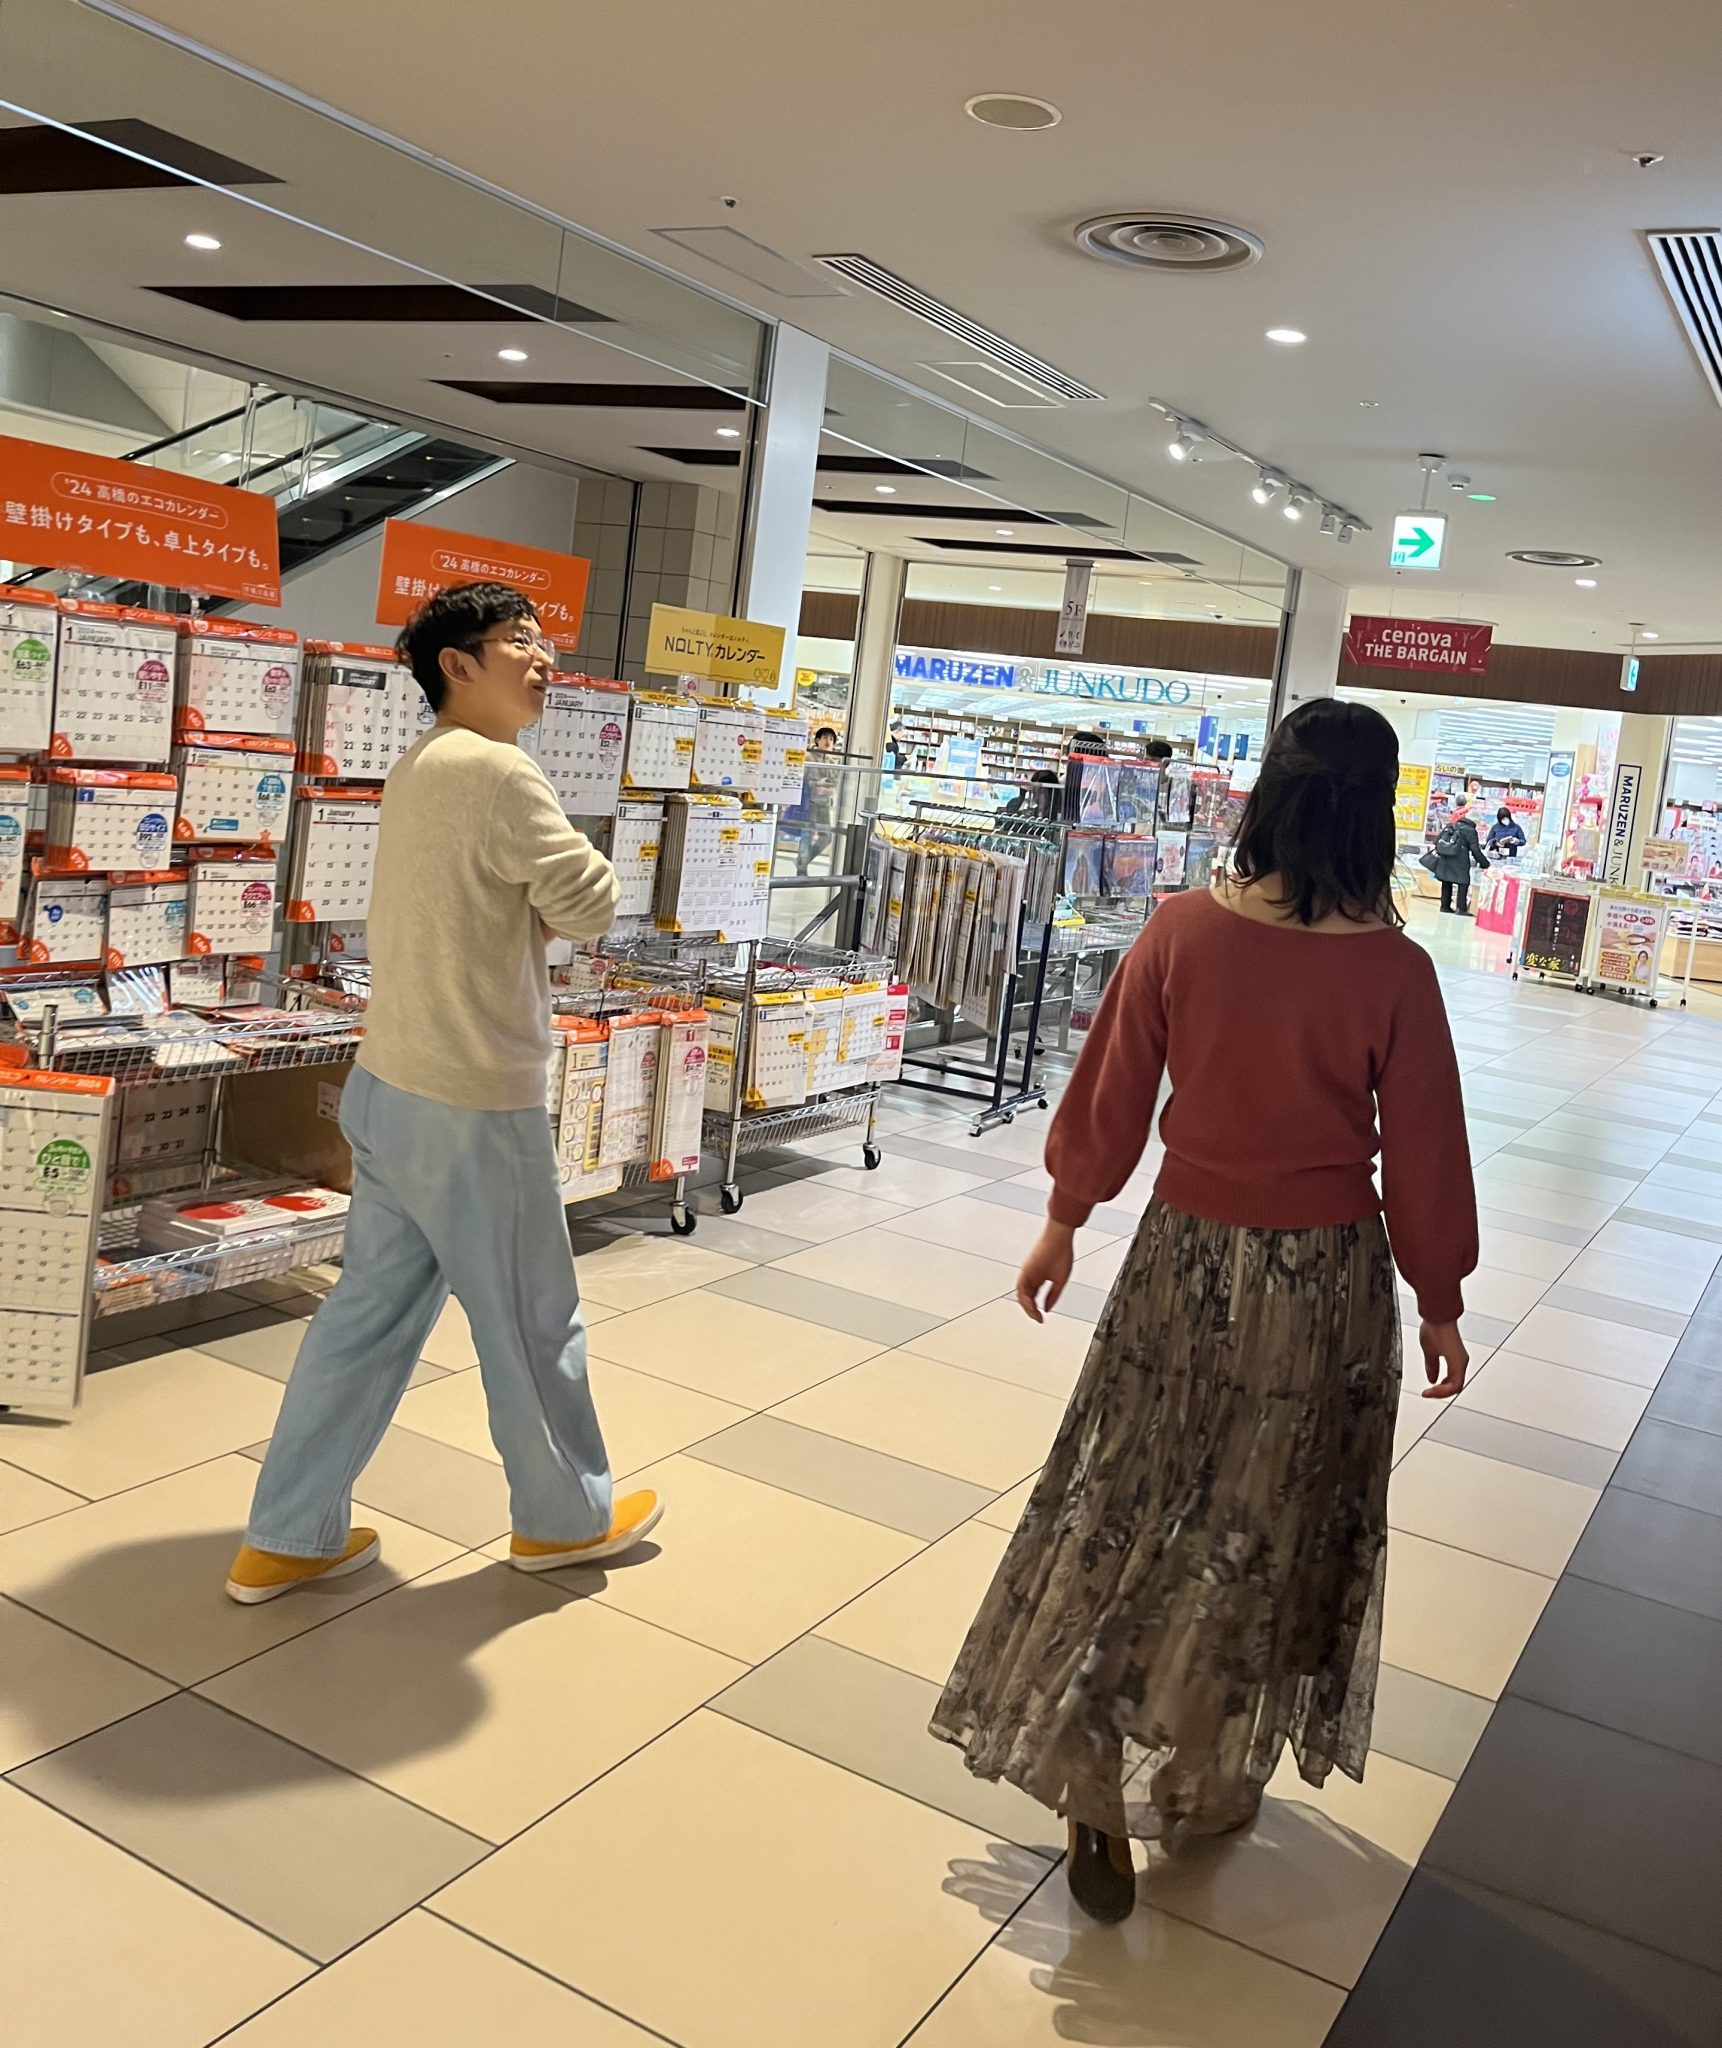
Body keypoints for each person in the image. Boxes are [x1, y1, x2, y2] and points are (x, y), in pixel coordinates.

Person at [930, 698, 1474, 1923]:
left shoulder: (1181, 928)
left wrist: (1065, 1215)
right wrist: (1439, 1297)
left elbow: (1112, 1090)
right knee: (1266, 1518)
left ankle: (1089, 1726)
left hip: (1182, 1261)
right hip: (1321, 1285)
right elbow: (1426, 1153)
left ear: (1268, 795)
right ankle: (1201, 1762)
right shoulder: (1396, 972)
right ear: (1375, 816)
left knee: (1132, 1493)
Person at [226, 583, 661, 1604]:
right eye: (519, 641)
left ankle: (287, 1532)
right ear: (456, 666)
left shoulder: (421, 763)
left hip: (393, 1083)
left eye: (543, 639)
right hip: (472, 1099)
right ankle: (562, 1520)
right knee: (531, 1318)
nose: (543, 658)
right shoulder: (500, 770)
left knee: (365, 1317)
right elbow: (590, 903)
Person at [797, 724, 842, 874]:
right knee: (807, 835)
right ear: (817, 740)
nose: (828, 741)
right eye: (824, 738)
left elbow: (836, 785)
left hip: (824, 804)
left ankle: (803, 861)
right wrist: (814, 785)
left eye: (831, 739)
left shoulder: (832, 763)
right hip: (809, 803)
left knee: (827, 837)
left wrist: (828, 789)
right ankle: (801, 870)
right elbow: (801, 780)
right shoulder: (808, 758)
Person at [1432, 802, 1488, 914]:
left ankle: (1445, 906)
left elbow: (1437, 841)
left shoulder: (1451, 825)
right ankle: (1461, 908)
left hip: (1446, 858)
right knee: (1463, 883)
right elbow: (1475, 850)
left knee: (1446, 881)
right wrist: (1485, 864)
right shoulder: (1470, 830)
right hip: (1460, 861)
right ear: (1475, 821)